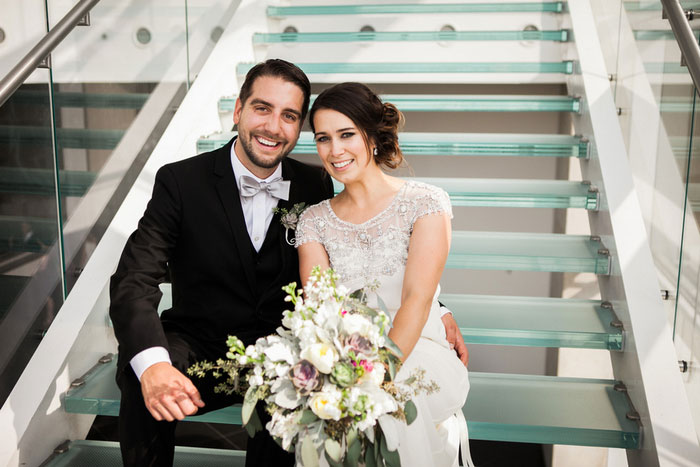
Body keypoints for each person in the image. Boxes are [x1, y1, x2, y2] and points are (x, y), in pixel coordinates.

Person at [109, 59, 334, 466]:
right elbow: (133, 280)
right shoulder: (180, 181)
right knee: (142, 371)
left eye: (289, 116)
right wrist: (154, 366)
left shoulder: (314, 184)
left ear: (299, 128)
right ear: (237, 111)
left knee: (296, 390)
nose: (272, 126)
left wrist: (435, 309)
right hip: (201, 342)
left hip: (280, 348)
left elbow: (356, 253)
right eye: (262, 108)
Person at [296, 82, 473, 467]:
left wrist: (375, 378)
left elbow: (417, 299)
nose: (335, 150)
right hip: (347, 355)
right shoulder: (313, 222)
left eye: (346, 135)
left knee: (390, 404)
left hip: (417, 351)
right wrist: (342, 374)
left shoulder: (425, 202)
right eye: (323, 138)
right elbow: (319, 311)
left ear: (373, 138)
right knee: (327, 408)